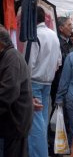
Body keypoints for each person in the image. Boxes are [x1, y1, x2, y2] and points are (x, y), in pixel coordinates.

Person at [27, 7, 62, 157]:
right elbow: (58, 61)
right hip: (47, 82)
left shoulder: (35, 36)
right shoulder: (53, 35)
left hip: (35, 81)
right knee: (41, 122)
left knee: (36, 124)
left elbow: (29, 63)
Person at [0, 27, 33, 157]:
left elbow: (8, 92)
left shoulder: (11, 57)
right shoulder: (7, 56)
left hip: (14, 125)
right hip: (11, 124)